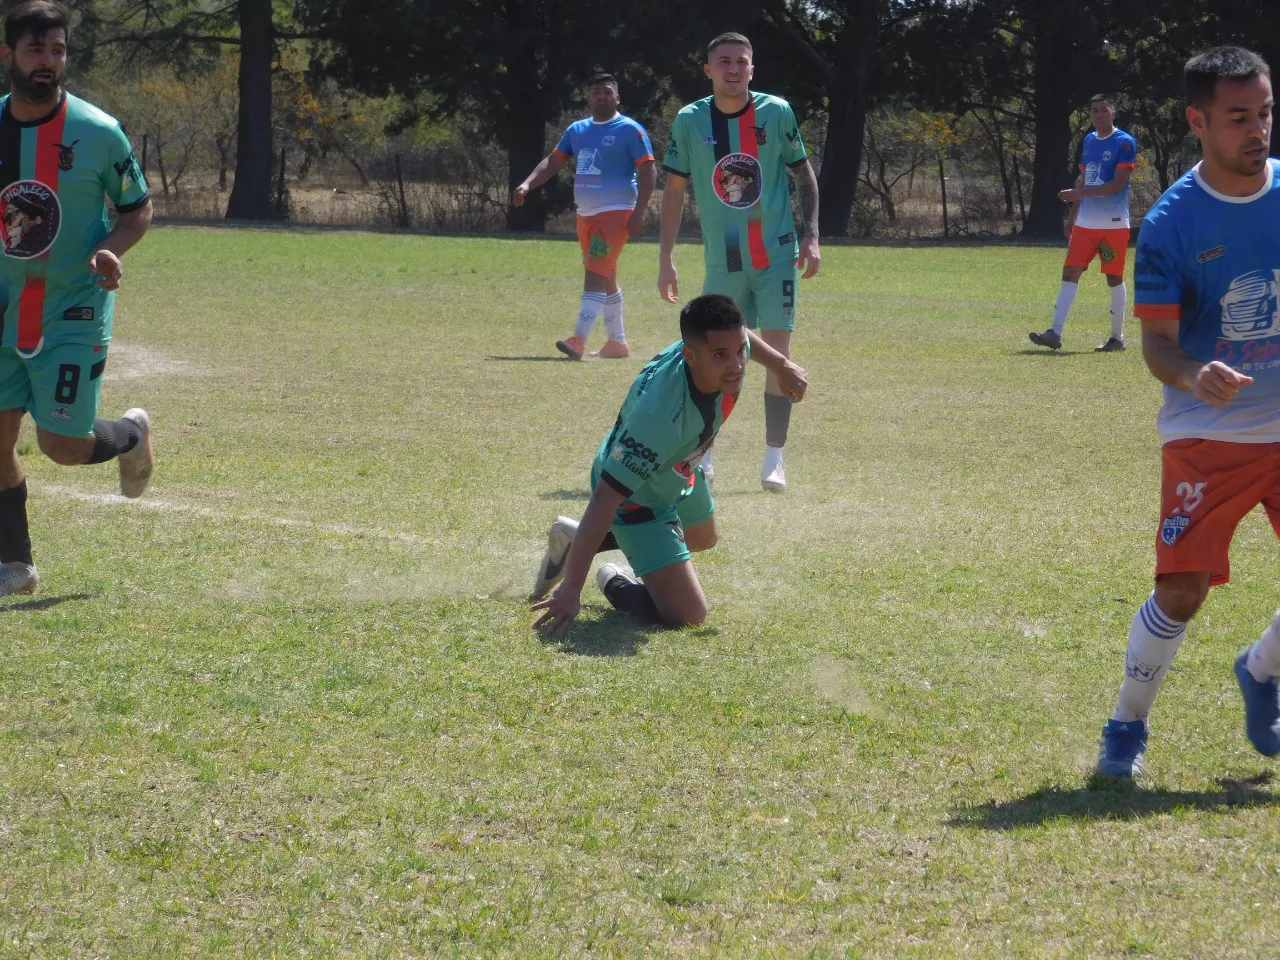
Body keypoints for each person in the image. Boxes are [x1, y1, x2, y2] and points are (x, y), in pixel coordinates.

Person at [1095, 47, 1280, 778]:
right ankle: (1125, 724)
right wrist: (1196, 373)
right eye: (1239, 117)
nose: (1257, 130)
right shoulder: (1171, 224)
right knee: (1182, 589)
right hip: (1210, 432)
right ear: (1198, 121)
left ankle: (1262, 670)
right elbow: (1158, 349)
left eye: (1264, 112)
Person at [529, 293, 807, 634]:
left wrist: (781, 365)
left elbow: (742, 337)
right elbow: (606, 496)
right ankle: (613, 579)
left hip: (678, 469)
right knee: (688, 614)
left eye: (738, 352)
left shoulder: (719, 346)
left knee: (704, 537)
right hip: (635, 500)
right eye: (721, 355)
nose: (736, 364)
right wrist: (571, 589)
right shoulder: (660, 419)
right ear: (690, 355)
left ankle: (582, 539)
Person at [0, 0, 154, 597]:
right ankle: (15, 565)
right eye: (37, 49)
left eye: (58, 50)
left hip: (72, 307)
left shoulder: (97, 131)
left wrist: (112, 248)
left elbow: (138, 207)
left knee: (63, 447)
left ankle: (131, 436)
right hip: (3, 311)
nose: (49, 61)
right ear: (7, 54)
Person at [657, 32, 820, 493]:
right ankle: (703, 457)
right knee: (715, 359)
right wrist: (665, 257)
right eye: (723, 61)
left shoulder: (776, 112)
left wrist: (811, 235)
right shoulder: (690, 121)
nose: (733, 68)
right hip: (722, 261)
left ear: (753, 69)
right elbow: (673, 192)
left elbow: (804, 175)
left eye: (741, 61)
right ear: (708, 70)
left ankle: (774, 458)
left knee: (777, 355)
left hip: (777, 255)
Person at [512, 73, 656, 361]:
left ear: (618, 98)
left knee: (595, 271)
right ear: (589, 98)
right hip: (586, 215)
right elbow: (553, 162)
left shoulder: (630, 130)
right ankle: (617, 343)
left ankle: (578, 339)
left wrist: (639, 212)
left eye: (607, 92)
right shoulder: (577, 130)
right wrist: (527, 184)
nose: (600, 96)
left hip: (616, 213)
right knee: (606, 273)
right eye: (595, 92)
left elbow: (648, 171)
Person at [1030, 94, 1138, 353]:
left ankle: (1116, 338)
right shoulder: (1089, 141)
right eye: (1094, 111)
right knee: (1070, 272)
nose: (1098, 115)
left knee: (1113, 277)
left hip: (1113, 224)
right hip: (1086, 225)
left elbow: (1117, 185)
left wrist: (1080, 196)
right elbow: (1084, 179)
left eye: (1103, 110)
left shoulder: (1124, 142)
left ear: (1113, 112)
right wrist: (1074, 214)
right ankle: (1054, 332)